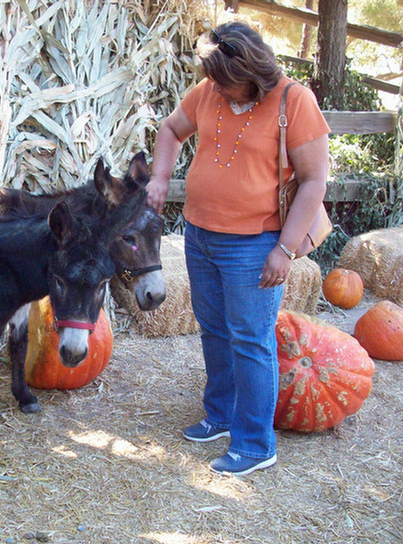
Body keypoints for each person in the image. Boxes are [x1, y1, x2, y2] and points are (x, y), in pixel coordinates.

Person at [145, 21, 330, 476]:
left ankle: (254, 444)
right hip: (200, 234)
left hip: (256, 244)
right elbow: (171, 129)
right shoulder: (209, 91)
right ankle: (221, 416)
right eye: (215, 80)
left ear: (252, 68)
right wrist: (160, 178)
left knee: (251, 340)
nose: (219, 90)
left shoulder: (294, 101)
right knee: (214, 329)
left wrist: (284, 251)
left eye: (226, 81)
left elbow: (313, 182)